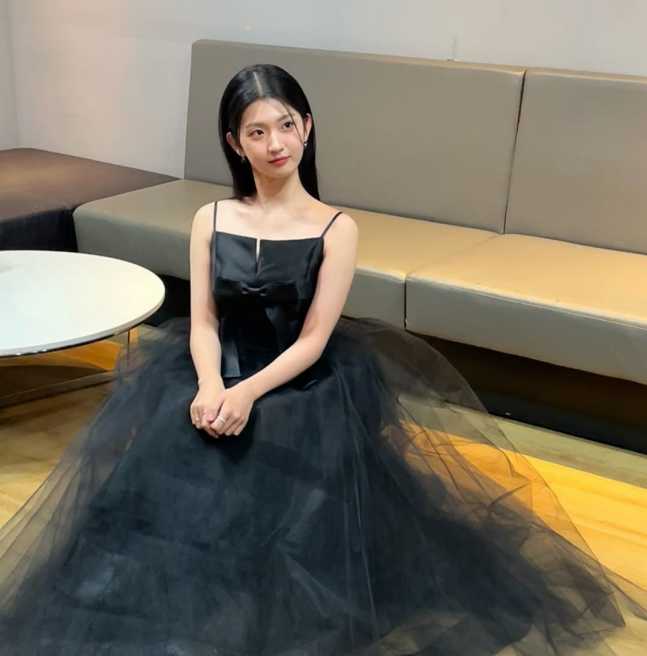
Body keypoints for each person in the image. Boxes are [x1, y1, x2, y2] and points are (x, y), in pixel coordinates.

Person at [0, 63, 646, 656]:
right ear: (234, 143)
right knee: (165, 480)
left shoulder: (337, 228)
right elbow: (202, 320)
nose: (275, 143)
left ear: (307, 128)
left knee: (275, 493)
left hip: (298, 382)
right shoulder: (210, 217)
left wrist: (245, 393)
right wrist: (210, 384)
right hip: (213, 371)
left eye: (286, 125)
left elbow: (312, 340)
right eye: (257, 131)